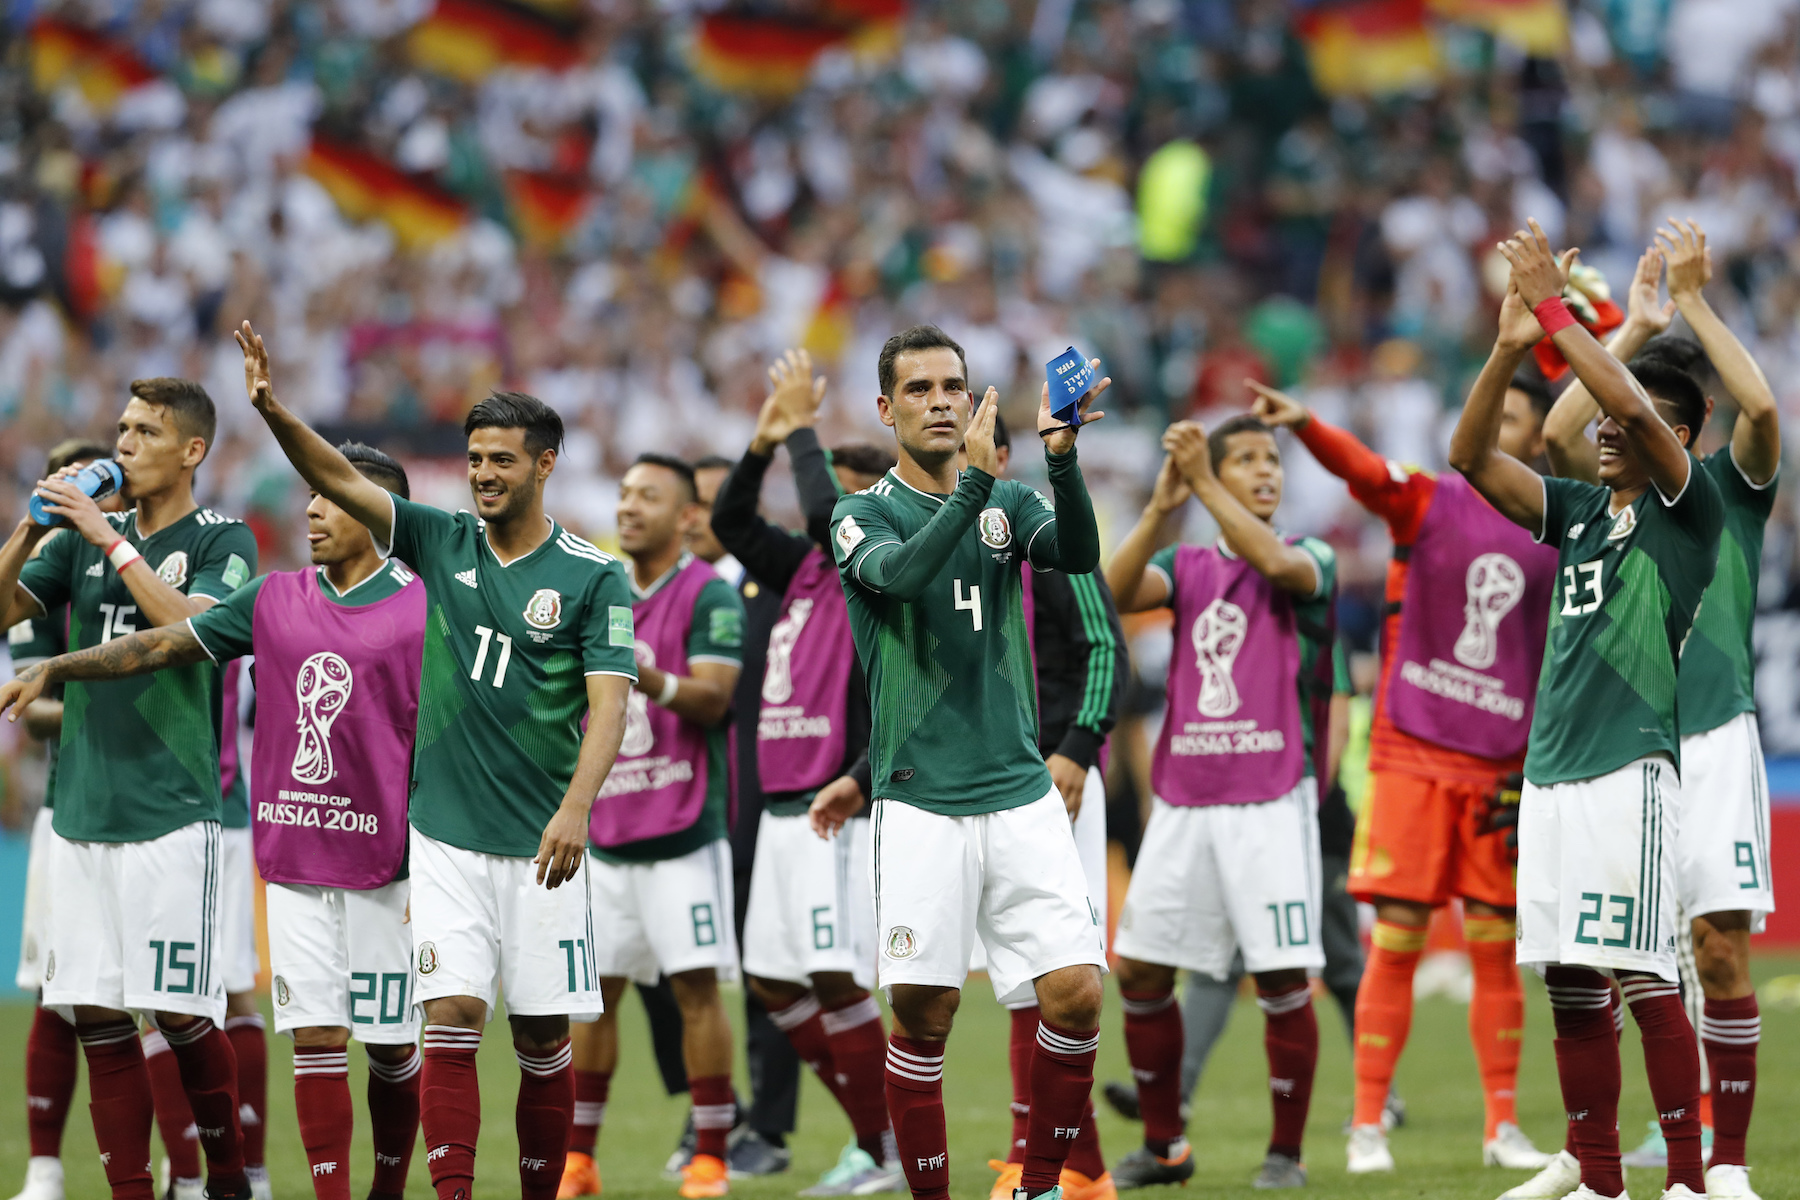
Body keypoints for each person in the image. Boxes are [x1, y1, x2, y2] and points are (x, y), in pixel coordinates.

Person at [230, 321, 636, 1200]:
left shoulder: (593, 576)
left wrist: (575, 807)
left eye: (502, 460)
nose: (484, 473)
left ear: (546, 465)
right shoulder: (442, 540)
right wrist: (270, 409)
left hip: (542, 841)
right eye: (475, 457)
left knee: (540, 1038)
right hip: (445, 835)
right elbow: (341, 480)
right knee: (448, 1017)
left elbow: (610, 706)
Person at [2, 444, 428, 1200]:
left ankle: (377, 1189)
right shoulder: (275, 596)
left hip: (383, 856)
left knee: (391, 1046)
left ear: (376, 512)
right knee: (315, 1036)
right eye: (310, 494)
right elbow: (169, 642)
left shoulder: (424, 607)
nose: (311, 509)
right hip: (290, 848)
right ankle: (251, 1183)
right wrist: (58, 667)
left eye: (330, 496)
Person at [1247, 308, 1585, 1172]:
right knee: (1394, 937)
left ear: (1541, 438)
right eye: (1489, 412)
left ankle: (1501, 1126)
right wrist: (1308, 424)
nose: (1497, 427)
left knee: (1495, 948)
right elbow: (1362, 471)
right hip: (1412, 754)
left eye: (1515, 417)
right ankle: (1367, 1125)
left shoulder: (1560, 528)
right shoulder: (1427, 501)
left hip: (1501, 769)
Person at [1448, 221, 1718, 1200]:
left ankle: (1685, 1181)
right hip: (1552, 776)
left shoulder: (1687, 512)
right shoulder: (1580, 516)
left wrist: (1564, 315)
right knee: (1568, 979)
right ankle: (1600, 1180)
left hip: (1627, 771)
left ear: (1674, 441)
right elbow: (1471, 455)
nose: (1602, 430)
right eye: (1600, 421)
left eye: (1623, 424)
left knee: (1643, 976)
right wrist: (1508, 345)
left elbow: (1629, 406)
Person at [813, 324, 1109, 1200]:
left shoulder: (1009, 501)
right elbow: (902, 577)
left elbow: (1080, 554)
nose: (940, 402)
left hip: (1019, 789)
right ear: (886, 408)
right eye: (919, 389)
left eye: (953, 387)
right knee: (925, 1010)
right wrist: (973, 484)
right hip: (920, 798)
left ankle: (1038, 1186)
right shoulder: (858, 514)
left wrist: (1061, 460)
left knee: (1077, 992)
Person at [1539, 221, 1777, 1200]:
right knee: (1635, 957)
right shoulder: (1614, 500)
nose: (1616, 429)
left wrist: (1693, 303)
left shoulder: (1728, 487)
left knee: (1716, 947)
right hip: (1624, 748)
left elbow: (1760, 406)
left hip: (1712, 732)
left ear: (1682, 429)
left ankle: (1727, 1162)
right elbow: (1558, 437)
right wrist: (1633, 326)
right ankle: (1631, 1150)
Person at [0, 379, 258, 1200]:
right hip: (80, 810)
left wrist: (107, 538)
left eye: (146, 430)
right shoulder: (77, 539)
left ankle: (227, 1182)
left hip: (171, 812)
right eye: (121, 427)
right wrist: (27, 528)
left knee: (181, 1015)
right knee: (98, 1020)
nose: (124, 443)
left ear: (192, 451)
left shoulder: (224, 538)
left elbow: (186, 632)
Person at [1104, 416, 1336, 1191]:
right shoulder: (1188, 563)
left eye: (1273, 459)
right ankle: (1165, 1146)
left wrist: (1202, 478)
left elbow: (1275, 563)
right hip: (1185, 796)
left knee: (1279, 977)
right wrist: (1159, 506)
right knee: (1141, 970)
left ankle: (1286, 1154)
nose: (1266, 470)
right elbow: (1112, 594)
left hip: (1270, 795)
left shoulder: (1311, 554)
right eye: (1246, 460)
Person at [713, 349, 902, 1196]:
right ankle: (879, 1130)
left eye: (857, 497)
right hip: (779, 805)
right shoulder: (802, 569)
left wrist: (801, 431)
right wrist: (763, 441)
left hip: (837, 802)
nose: (837, 513)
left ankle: (882, 1148)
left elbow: (825, 509)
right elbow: (731, 521)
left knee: (833, 976)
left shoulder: (875, 572)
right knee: (771, 980)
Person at [568, 453, 746, 1200]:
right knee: (594, 996)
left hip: (683, 834)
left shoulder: (709, 592)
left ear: (686, 516)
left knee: (697, 991)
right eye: (624, 494)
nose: (629, 507)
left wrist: (647, 674)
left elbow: (716, 699)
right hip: (606, 834)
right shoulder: (595, 586)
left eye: (648, 496)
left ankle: (711, 1155)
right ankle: (579, 1159)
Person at [973, 412, 1125, 1200]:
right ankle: (1080, 1165)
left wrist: (1079, 744)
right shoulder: (935, 541)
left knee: (1053, 971)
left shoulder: (1042, 531)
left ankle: (1041, 1161)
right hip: (973, 786)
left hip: (1052, 778)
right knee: (1014, 976)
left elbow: (1105, 644)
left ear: (1002, 456)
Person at [6, 439, 117, 1200]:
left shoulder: (152, 555)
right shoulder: (51, 565)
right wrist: (102, 698)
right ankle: (45, 1169)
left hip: (167, 807)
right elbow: (30, 701)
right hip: (66, 804)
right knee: (58, 987)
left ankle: (185, 1167)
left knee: (172, 1001)